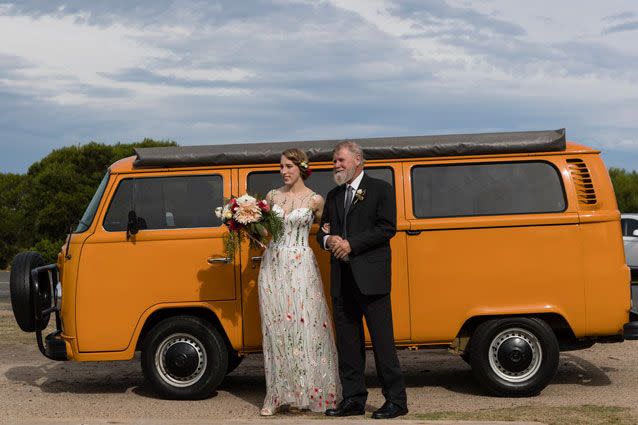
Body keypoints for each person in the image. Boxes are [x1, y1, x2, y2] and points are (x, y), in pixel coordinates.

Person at [316, 141, 408, 419]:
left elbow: (387, 228)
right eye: (334, 161)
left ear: (358, 160)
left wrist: (352, 244)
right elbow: (322, 231)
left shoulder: (381, 189)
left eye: (341, 160)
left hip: (372, 278)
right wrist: (328, 240)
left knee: (382, 343)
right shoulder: (332, 195)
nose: (336, 165)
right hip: (341, 280)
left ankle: (396, 401)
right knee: (347, 344)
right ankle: (353, 399)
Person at [258, 148, 341, 416]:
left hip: (302, 264)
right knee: (277, 329)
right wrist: (242, 222)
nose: (283, 171)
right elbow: (263, 231)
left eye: (288, 166)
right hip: (273, 265)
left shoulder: (316, 200)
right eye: (281, 166)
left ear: (301, 168)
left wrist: (334, 237)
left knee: (306, 328)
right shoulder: (272, 196)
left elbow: (328, 229)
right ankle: (277, 395)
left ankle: (308, 391)